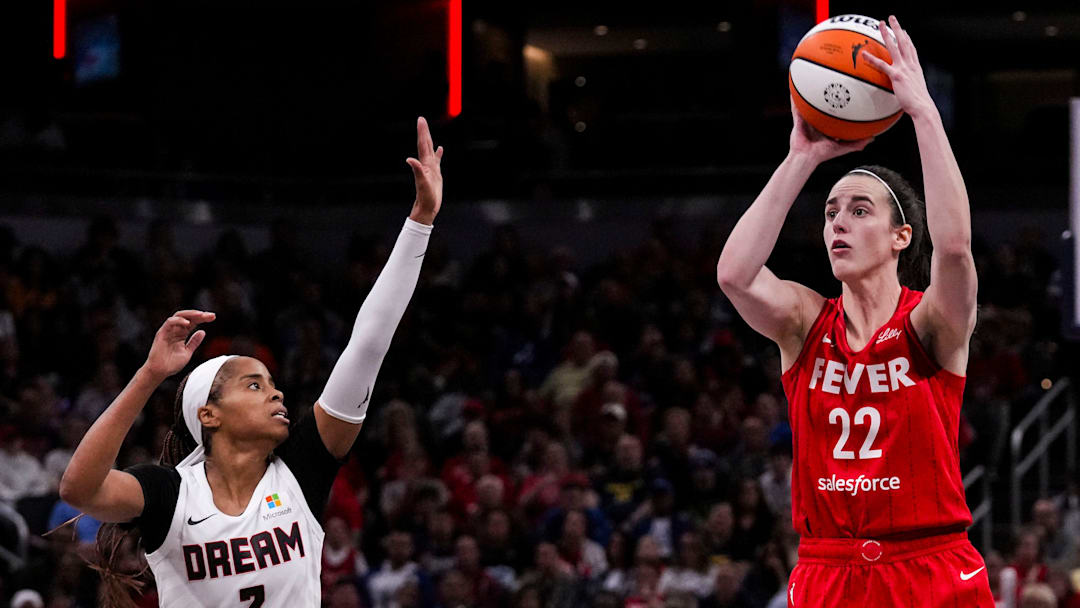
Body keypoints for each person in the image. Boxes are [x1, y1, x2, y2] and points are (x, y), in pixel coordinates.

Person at [57, 117, 445, 607]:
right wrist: (150, 374)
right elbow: (79, 487)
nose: (277, 392)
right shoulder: (171, 493)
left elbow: (368, 344)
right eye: (254, 385)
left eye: (271, 382)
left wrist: (420, 221)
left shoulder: (303, 469)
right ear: (209, 413)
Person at [716, 16, 991, 606]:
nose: (838, 221)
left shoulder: (931, 325)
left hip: (930, 564)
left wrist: (923, 114)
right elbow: (734, 275)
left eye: (860, 210)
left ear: (900, 237)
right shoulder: (804, 322)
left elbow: (956, 246)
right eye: (831, 212)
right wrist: (800, 159)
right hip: (828, 568)